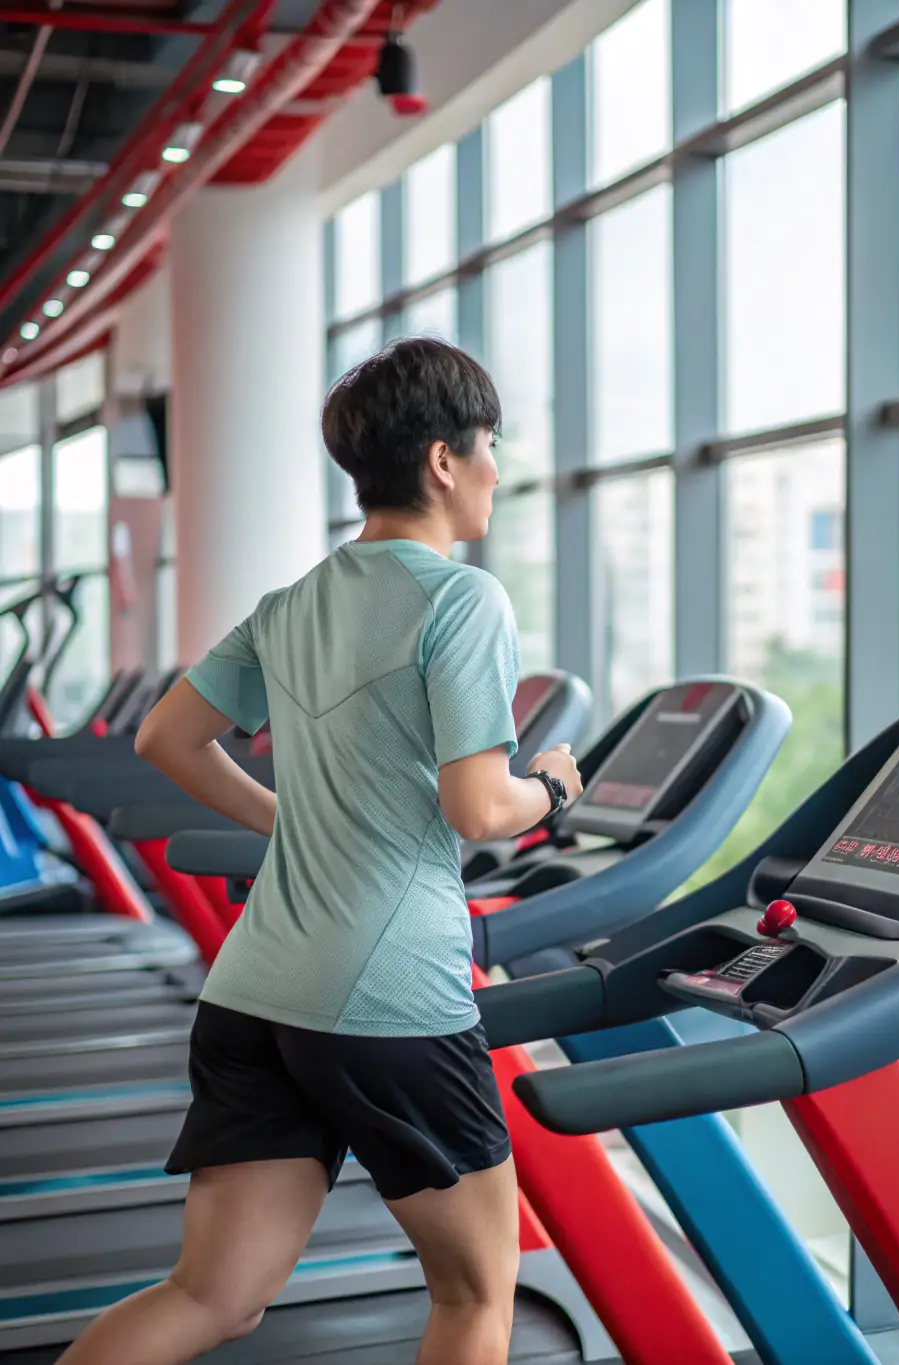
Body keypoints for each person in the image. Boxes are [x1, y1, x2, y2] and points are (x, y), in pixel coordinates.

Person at [56, 337, 583, 1365]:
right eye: (490, 448)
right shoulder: (462, 597)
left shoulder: (293, 602)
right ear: (443, 458)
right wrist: (555, 785)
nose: (494, 472)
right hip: (387, 994)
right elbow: (478, 808)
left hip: (255, 989)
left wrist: (282, 819)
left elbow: (165, 737)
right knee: (475, 1294)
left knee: (211, 1294)